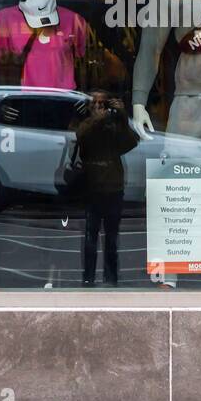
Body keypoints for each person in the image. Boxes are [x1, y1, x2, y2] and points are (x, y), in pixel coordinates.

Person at [74, 91, 139, 286]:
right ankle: (88, 277)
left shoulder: (113, 123)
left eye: (103, 103)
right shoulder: (85, 122)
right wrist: (96, 120)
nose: (99, 106)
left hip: (113, 186)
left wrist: (122, 117)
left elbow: (130, 143)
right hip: (91, 186)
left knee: (111, 239)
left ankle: (111, 278)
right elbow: (80, 138)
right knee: (90, 237)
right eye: (95, 103)